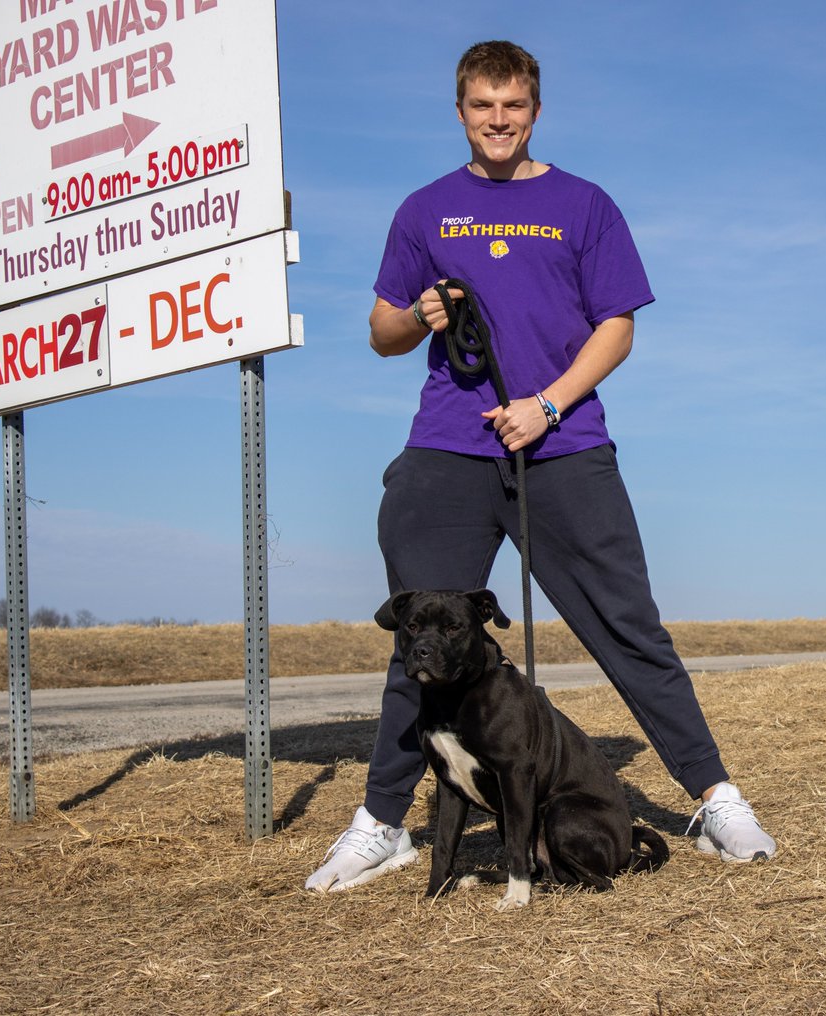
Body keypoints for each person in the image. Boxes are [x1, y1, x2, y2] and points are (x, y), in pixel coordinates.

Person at [307, 40, 775, 893]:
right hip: (447, 450)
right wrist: (420, 312)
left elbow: (617, 328)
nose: (498, 120)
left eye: (513, 105)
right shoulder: (424, 209)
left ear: (535, 109)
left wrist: (548, 404)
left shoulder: (584, 204)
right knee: (422, 638)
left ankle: (716, 800)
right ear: (460, 111)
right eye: (482, 106)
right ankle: (382, 824)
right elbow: (381, 333)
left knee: (629, 627)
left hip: (563, 446)